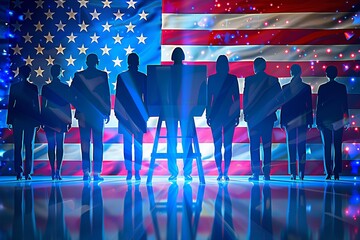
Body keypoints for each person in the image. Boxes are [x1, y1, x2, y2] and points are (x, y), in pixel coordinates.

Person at [70, 54, 111, 181]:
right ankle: (96, 173)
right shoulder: (102, 75)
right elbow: (106, 95)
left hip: (84, 114)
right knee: (97, 143)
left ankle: (86, 172)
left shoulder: (79, 75)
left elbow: (72, 94)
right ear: (97, 62)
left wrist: (79, 107)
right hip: (97, 114)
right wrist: (107, 112)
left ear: (87, 62)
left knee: (85, 142)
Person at [243, 57, 282, 181]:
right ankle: (266, 173)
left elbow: (246, 99)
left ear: (255, 67)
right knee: (267, 145)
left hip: (253, 119)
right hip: (267, 118)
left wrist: (246, 114)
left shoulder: (249, 80)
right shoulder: (273, 80)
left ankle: (255, 173)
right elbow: (280, 98)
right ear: (264, 66)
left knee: (254, 145)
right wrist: (272, 110)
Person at [115, 53, 148, 181]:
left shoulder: (122, 77)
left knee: (128, 144)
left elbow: (119, 98)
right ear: (137, 62)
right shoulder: (142, 77)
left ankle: (130, 172)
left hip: (127, 115)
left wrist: (119, 114)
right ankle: (136, 172)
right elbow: (147, 98)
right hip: (136, 115)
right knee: (137, 144)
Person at [207, 55, 240, 181]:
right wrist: (236, 114)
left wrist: (208, 115)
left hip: (217, 115)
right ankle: (224, 172)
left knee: (219, 145)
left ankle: (221, 172)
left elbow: (209, 99)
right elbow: (236, 99)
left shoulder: (212, 79)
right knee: (227, 145)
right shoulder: (232, 79)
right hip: (228, 115)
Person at [7, 65, 40, 180]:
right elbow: (36, 105)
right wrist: (38, 121)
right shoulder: (33, 87)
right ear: (29, 74)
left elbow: (11, 105)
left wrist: (10, 120)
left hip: (18, 118)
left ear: (20, 74)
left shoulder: (14, 87)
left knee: (19, 146)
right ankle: (27, 173)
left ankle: (19, 172)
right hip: (29, 119)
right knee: (28, 145)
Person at [166, 47, 194, 181]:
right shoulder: (186, 71)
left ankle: (177, 172)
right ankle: (184, 172)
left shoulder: (170, 71)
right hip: (179, 109)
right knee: (183, 140)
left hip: (178, 110)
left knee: (176, 141)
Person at [280, 64, 313, 180]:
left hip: (290, 121)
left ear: (291, 72)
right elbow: (309, 106)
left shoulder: (286, 88)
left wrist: (282, 121)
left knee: (292, 146)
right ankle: (300, 172)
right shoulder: (306, 87)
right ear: (300, 72)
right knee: (301, 146)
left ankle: (294, 173)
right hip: (301, 120)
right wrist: (310, 121)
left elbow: (283, 106)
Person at [316, 66, 349, 180]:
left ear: (326, 74)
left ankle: (328, 172)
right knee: (337, 145)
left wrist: (318, 121)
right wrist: (346, 120)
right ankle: (336, 172)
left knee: (327, 146)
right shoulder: (341, 87)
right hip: (338, 120)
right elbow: (345, 105)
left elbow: (319, 106)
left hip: (325, 121)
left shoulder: (322, 88)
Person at [41, 64, 72, 180]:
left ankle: (54, 171)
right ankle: (57, 171)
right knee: (59, 145)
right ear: (59, 73)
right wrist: (69, 119)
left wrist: (42, 119)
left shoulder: (46, 87)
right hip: (60, 118)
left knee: (52, 145)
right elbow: (67, 105)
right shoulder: (64, 87)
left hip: (50, 118)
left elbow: (43, 105)